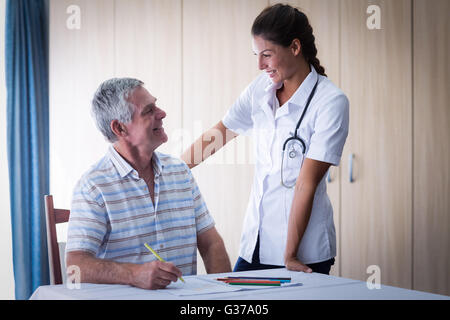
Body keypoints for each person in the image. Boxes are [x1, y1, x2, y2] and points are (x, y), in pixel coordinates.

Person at [181, 4, 349, 274]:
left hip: (303, 252)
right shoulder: (261, 88)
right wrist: (172, 171)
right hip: (256, 240)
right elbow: (221, 132)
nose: (260, 65)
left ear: (295, 47)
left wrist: (290, 255)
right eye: (256, 55)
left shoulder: (330, 102)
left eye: (267, 55)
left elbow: (306, 184)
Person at [66, 78, 231, 290]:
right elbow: (75, 266)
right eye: (149, 110)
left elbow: (211, 244)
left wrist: (225, 293)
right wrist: (133, 274)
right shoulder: (93, 186)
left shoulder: (180, 172)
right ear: (120, 128)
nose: (162, 114)